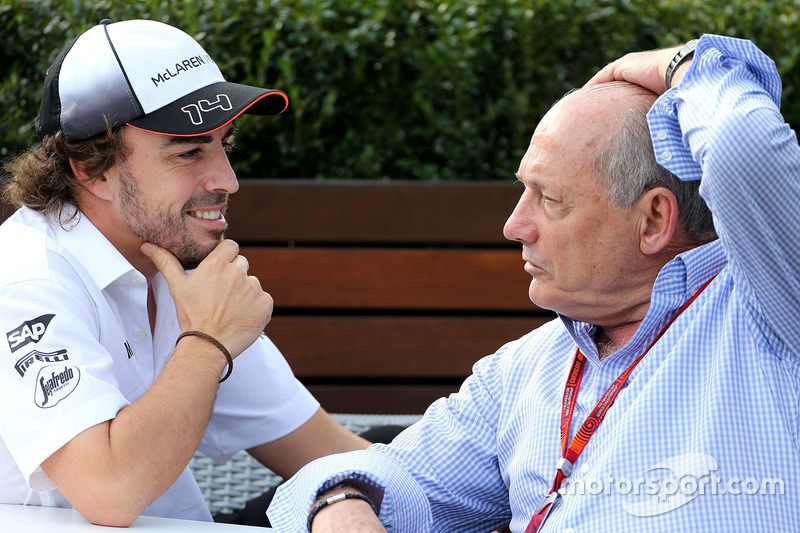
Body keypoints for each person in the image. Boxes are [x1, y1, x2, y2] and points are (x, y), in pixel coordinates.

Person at [267, 34, 800, 532]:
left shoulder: (770, 309)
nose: (513, 226)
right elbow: (395, 478)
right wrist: (341, 503)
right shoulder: (527, 368)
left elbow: (743, 149)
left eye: (549, 199)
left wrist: (679, 63)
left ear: (654, 220)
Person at [0, 18, 377, 527]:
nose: (228, 180)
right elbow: (109, 492)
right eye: (189, 151)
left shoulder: (171, 265)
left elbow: (329, 453)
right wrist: (205, 343)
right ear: (88, 168)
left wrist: (340, 497)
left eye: (225, 144)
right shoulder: (25, 281)